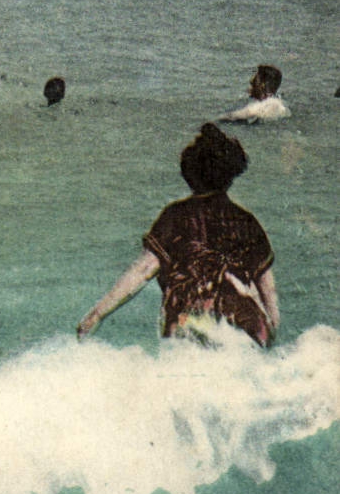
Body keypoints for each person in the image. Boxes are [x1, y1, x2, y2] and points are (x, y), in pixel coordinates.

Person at [78, 123, 278, 347]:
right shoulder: (247, 222)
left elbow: (143, 270)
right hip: (241, 330)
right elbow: (267, 287)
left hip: (188, 327)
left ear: (189, 173)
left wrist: (97, 314)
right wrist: (271, 328)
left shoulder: (174, 216)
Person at [219, 64, 290, 123]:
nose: (251, 81)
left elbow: (247, 114)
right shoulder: (274, 104)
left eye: (255, 80)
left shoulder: (271, 105)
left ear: (264, 84)